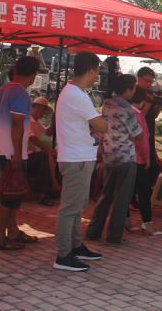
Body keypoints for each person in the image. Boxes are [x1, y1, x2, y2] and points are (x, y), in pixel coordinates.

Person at [54, 52, 107, 272]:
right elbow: (102, 125)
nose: (97, 76)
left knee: (76, 207)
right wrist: (99, 127)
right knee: (70, 209)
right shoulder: (77, 95)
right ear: (91, 70)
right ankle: (63, 255)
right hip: (76, 159)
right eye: (97, 72)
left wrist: (92, 130)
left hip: (79, 156)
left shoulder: (73, 92)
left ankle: (75, 246)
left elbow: (84, 125)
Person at [0, 56, 41, 251]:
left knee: (12, 197)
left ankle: (12, 232)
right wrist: (18, 155)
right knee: (8, 199)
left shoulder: (5, 89)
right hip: (10, 153)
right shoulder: (20, 94)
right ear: (33, 75)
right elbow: (17, 127)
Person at [86, 74, 142, 245]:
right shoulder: (128, 110)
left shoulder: (107, 104)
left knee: (105, 195)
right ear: (128, 89)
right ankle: (114, 237)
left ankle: (93, 231)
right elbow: (137, 134)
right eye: (134, 88)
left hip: (109, 155)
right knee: (121, 199)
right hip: (125, 157)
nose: (134, 91)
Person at [127, 89, 162, 235]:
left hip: (125, 157)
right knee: (144, 192)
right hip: (138, 159)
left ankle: (126, 221)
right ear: (143, 102)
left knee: (127, 192)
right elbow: (142, 140)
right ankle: (147, 223)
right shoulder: (137, 114)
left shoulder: (124, 111)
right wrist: (147, 158)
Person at [133, 67, 162, 183]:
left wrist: (158, 107)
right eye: (146, 80)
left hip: (149, 128)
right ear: (138, 78)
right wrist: (149, 103)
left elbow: (153, 116)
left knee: (150, 153)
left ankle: (149, 182)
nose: (149, 84)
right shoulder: (134, 92)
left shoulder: (150, 92)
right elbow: (139, 116)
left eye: (151, 81)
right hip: (138, 130)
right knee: (141, 158)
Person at [27, 97, 57, 206]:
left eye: (44, 110)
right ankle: (52, 186)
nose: (42, 112)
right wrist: (48, 150)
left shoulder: (36, 122)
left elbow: (47, 133)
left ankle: (48, 190)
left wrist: (54, 120)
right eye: (40, 109)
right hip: (25, 155)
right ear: (34, 107)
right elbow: (32, 138)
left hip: (33, 155)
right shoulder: (28, 120)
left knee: (47, 159)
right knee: (45, 156)